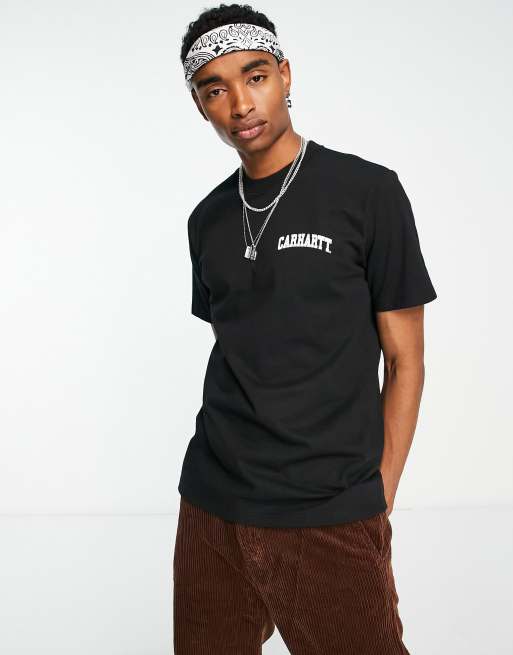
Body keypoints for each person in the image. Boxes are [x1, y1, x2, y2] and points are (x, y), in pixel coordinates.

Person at [173, 4, 437, 654]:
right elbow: (242, 346)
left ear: (285, 75)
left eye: (255, 76)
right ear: (200, 105)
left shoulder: (367, 192)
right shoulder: (206, 220)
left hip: (328, 509)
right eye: (214, 89)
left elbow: (405, 359)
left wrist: (378, 494)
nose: (240, 103)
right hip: (212, 503)